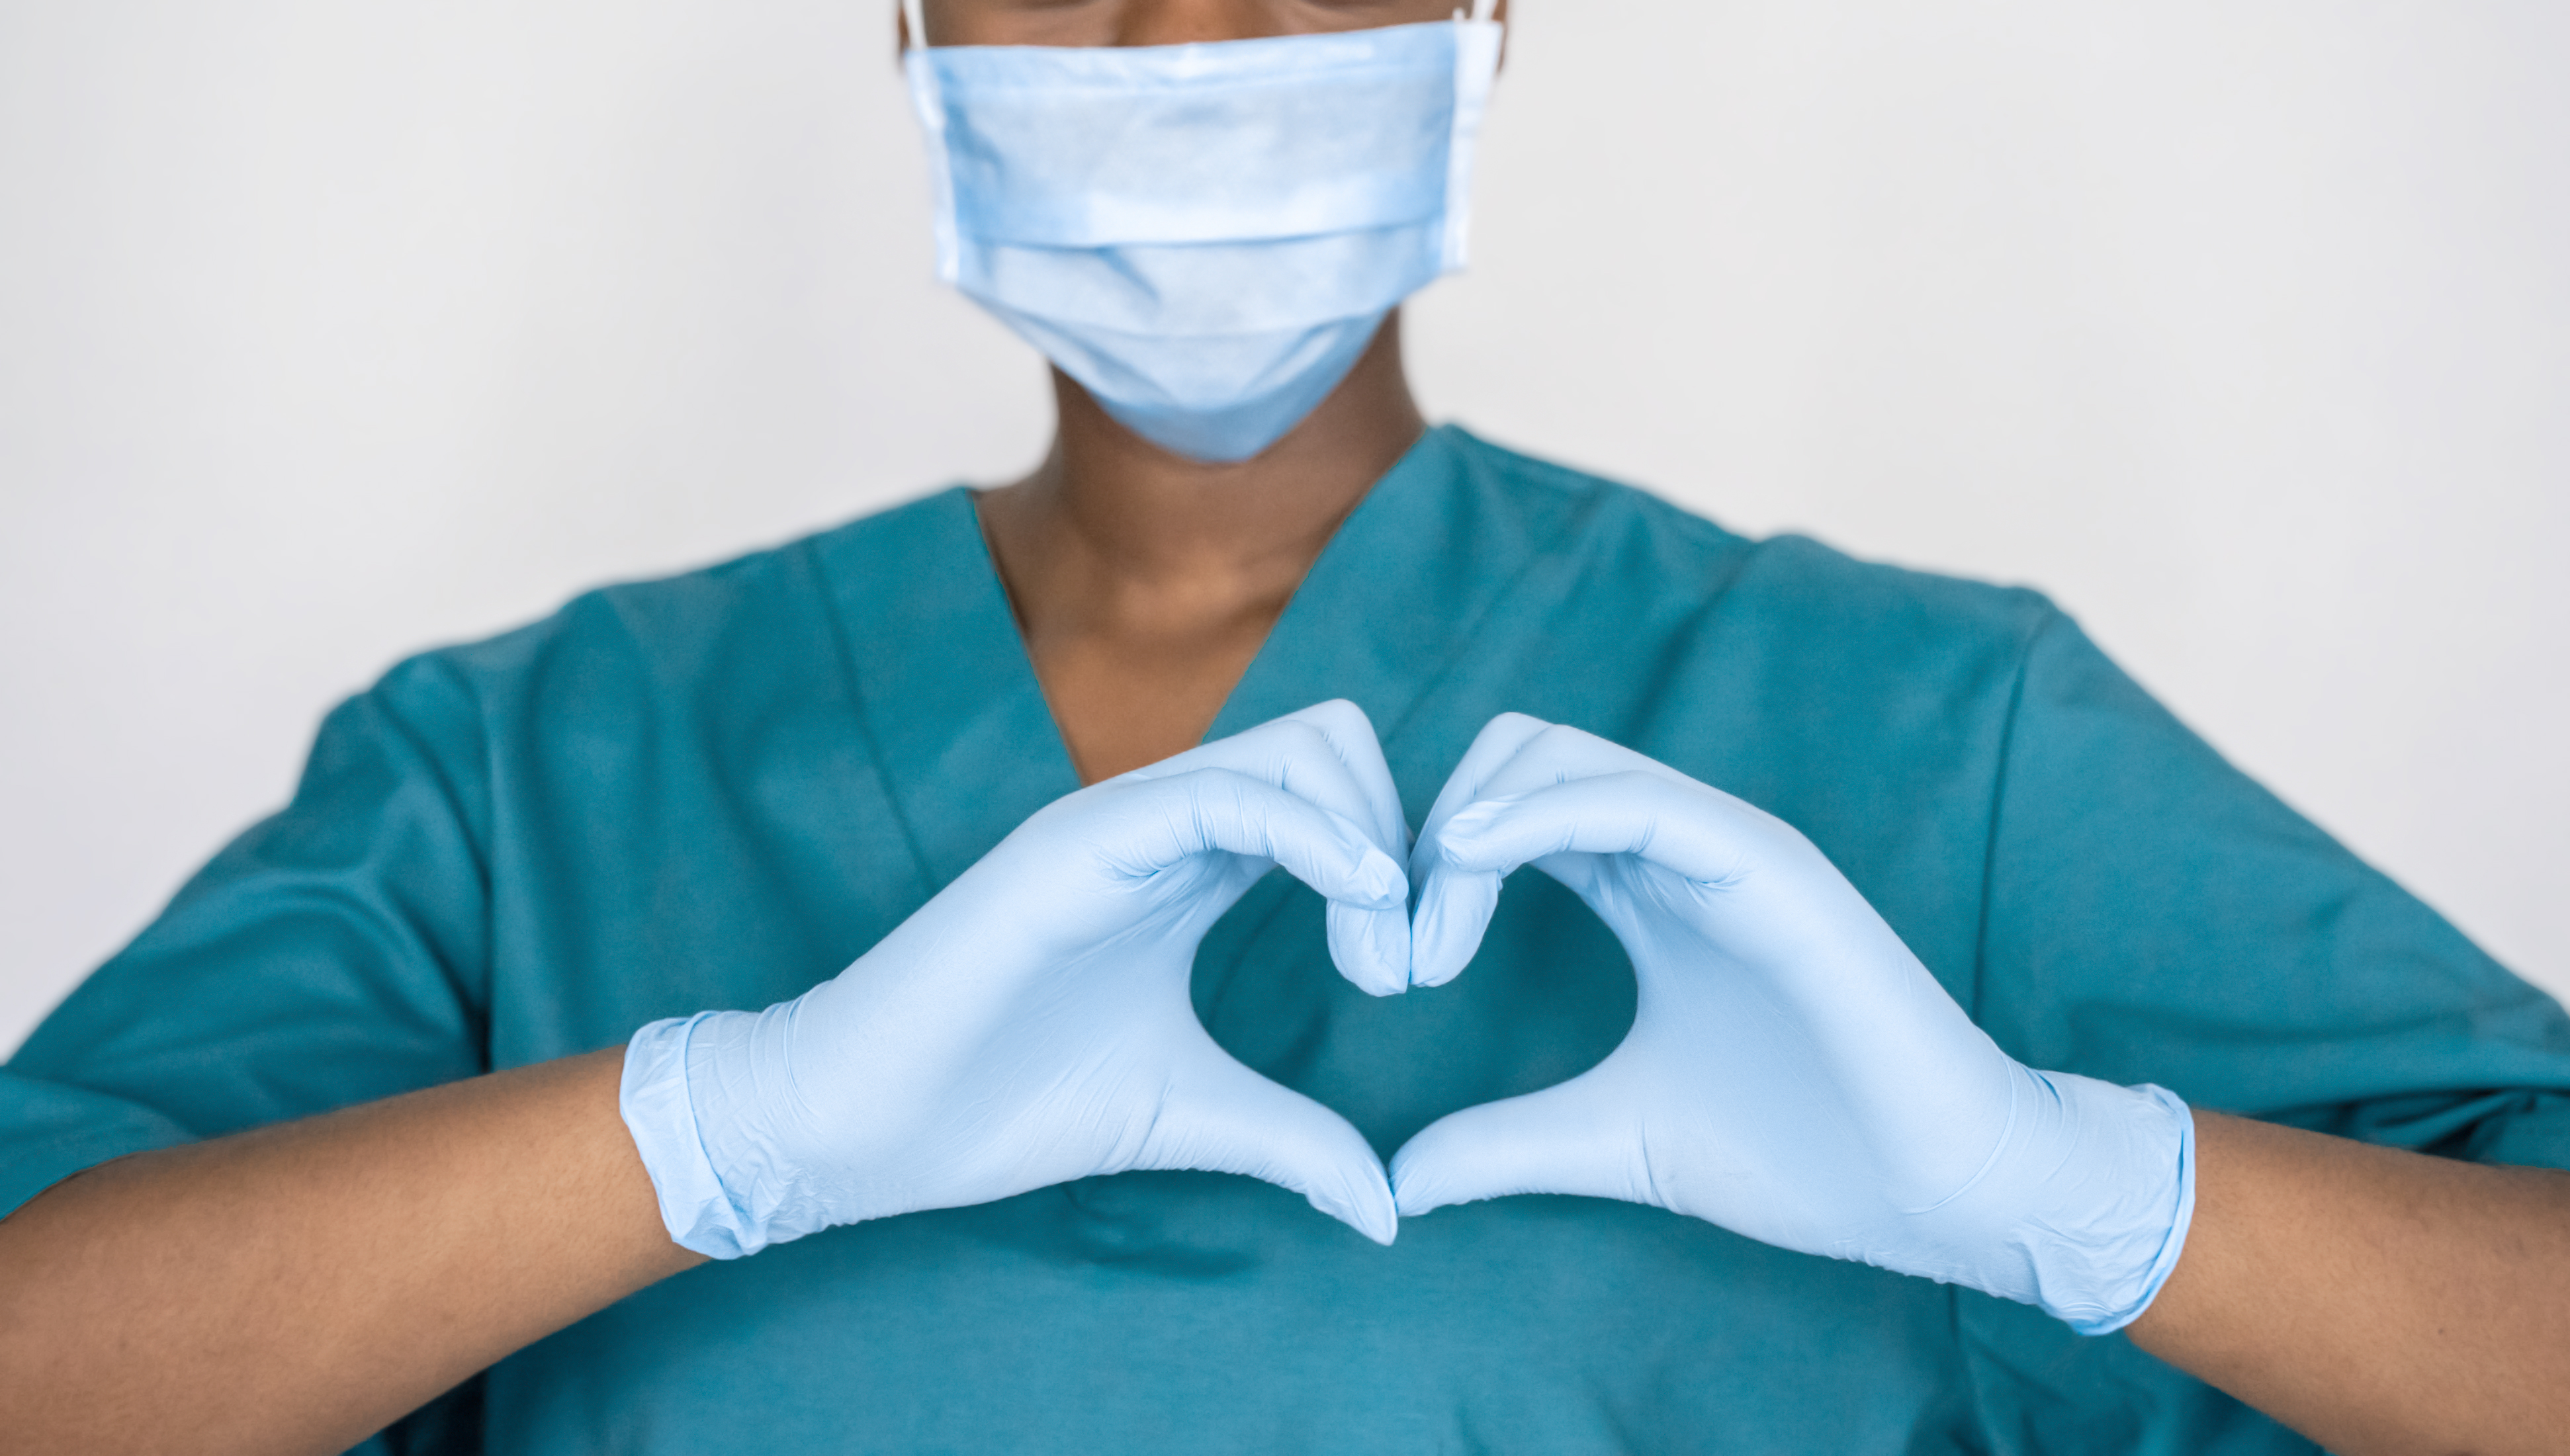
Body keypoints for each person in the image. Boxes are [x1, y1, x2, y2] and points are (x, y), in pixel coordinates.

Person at [3, 1, 2566, 1452]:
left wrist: (2076, 1190)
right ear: (903, 23)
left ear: (1486, 18)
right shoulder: (527, 780)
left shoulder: (1921, 741)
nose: (1180, 22)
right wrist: (715, 1129)